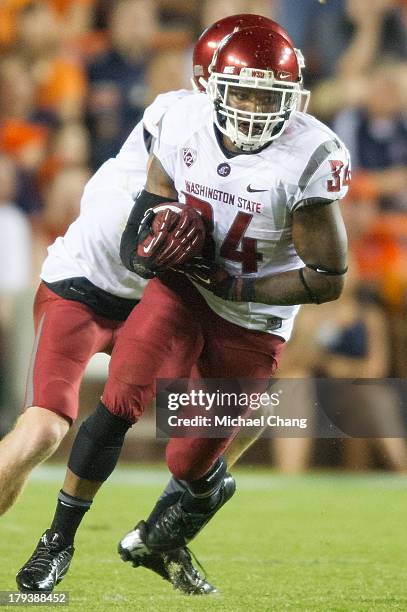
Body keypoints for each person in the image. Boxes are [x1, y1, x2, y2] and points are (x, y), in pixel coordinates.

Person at [16, 25, 350, 594]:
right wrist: (144, 254)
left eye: (268, 95)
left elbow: (326, 279)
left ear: (294, 98)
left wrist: (239, 289)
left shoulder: (310, 157)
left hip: (252, 318)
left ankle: (166, 531)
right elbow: (151, 202)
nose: (252, 107)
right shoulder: (181, 119)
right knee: (120, 399)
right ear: (210, 87)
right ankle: (56, 543)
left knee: (189, 462)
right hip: (184, 289)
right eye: (240, 92)